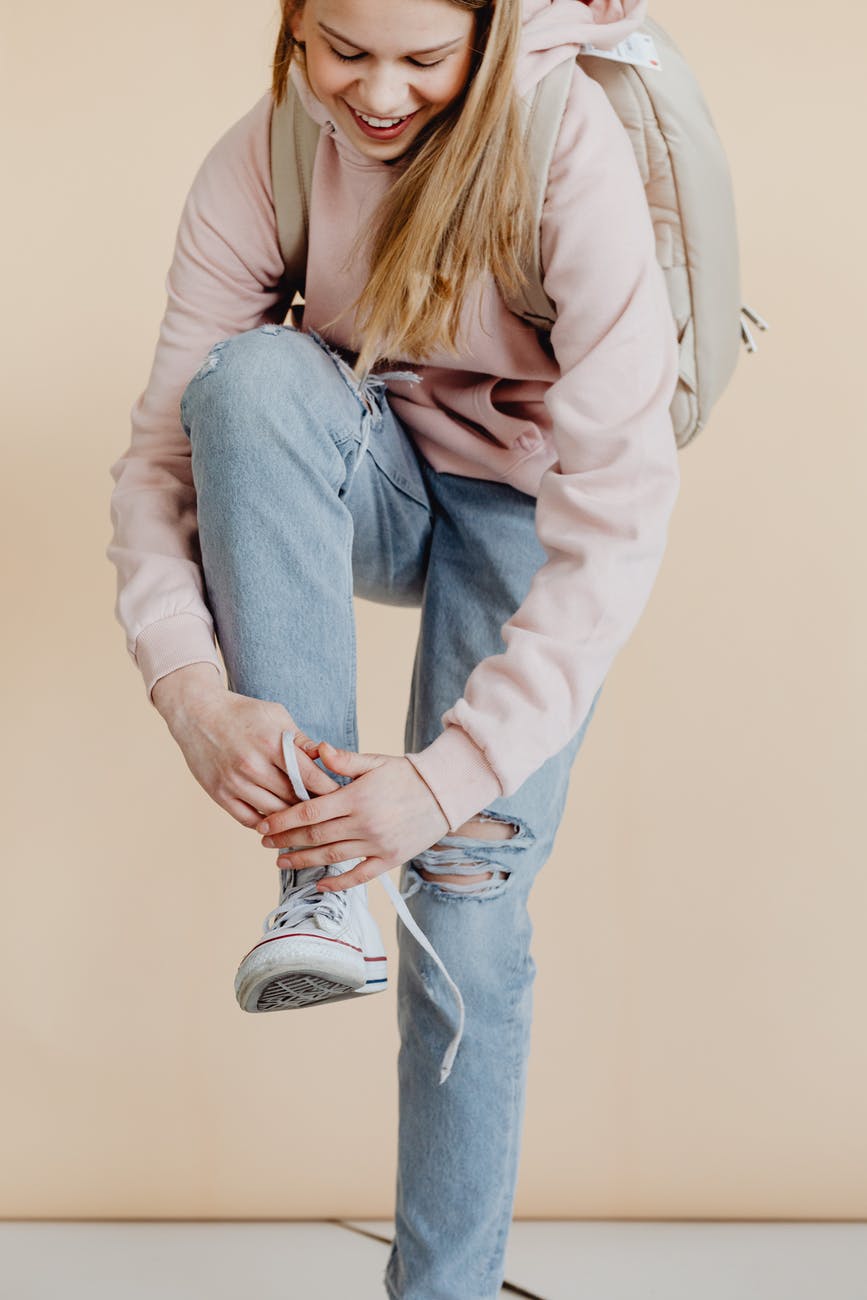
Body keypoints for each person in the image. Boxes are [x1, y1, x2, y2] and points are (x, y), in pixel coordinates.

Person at [105, 0, 680, 1293]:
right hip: (375, 470)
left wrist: (447, 778)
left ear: (490, 30)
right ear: (294, 26)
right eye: (343, 52)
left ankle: (445, 1289)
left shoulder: (564, 149)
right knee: (244, 381)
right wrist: (193, 694)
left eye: (426, 60)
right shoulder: (262, 158)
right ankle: (324, 885)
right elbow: (161, 458)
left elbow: (622, 507)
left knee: (470, 909)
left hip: (541, 513)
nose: (376, 96)